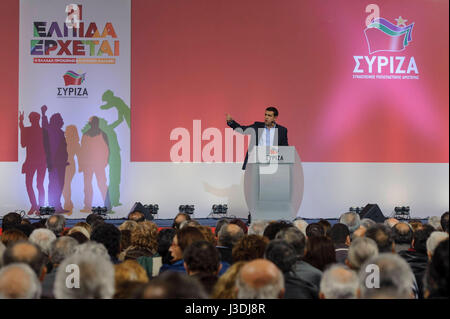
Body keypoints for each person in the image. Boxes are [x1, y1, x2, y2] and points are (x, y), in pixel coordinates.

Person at [41, 105, 68, 214]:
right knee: (54, 184)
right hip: (53, 162)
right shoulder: (49, 130)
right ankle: (53, 206)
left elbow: (63, 148)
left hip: (62, 163)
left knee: (60, 184)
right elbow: (44, 125)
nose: (62, 121)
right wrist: (43, 114)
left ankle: (58, 205)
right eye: (60, 119)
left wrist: (65, 159)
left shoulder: (61, 132)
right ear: (55, 121)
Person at [19, 111, 47, 216]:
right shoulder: (43, 131)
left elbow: (23, 144)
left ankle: (37, 206)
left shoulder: (28, 130)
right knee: (38, 184)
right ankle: (37, 206)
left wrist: (21, 125)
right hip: (38, 161)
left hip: (34, 161)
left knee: (32, 184)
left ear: (30, 119)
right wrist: (21, 125)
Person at [78, 116, 109, 212]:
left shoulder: (103, 134)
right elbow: (82, 150)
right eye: (91, 123)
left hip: (99, 164)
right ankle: (87, 206)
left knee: (102, 184)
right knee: (87, 185)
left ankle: (107, 205)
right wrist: (81, 164)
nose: (92, 124)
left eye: (93, 122)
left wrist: (105, 162)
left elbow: (107, 150)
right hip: (88, 165)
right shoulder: (85, 135)